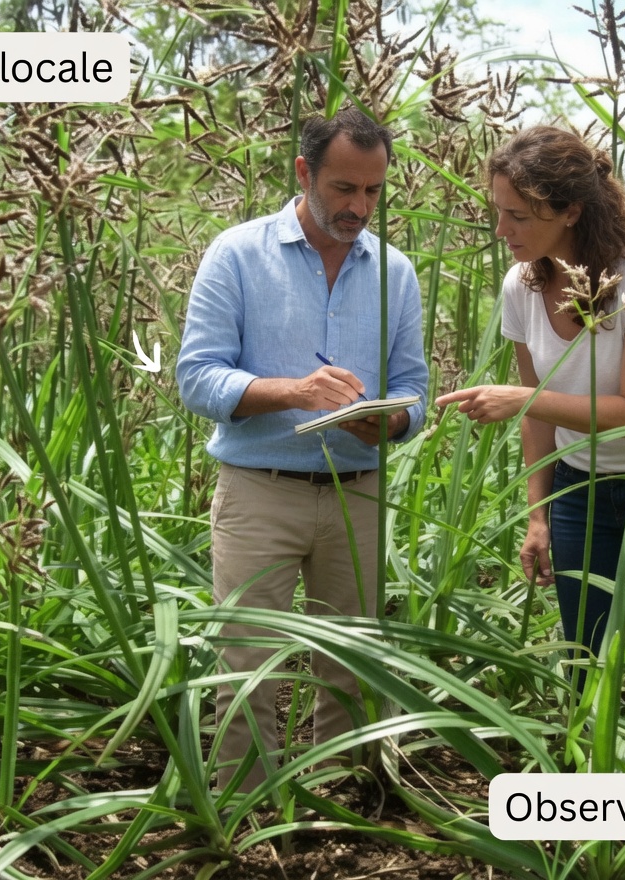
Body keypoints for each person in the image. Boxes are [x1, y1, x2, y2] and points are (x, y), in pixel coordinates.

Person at [436, 126, 625, 760]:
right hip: (581, 489)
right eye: (498, 212)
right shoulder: (523, 284)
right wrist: (539, 516)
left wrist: (523, 400)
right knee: (583, 663)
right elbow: (540, 417)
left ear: (570, 210)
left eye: (518, 215)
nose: (502, 230)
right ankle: (583, 820)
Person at [176, 107, 428, 792]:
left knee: (351, 663)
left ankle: (338, 803)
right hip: (260, 489)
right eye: (344, 188)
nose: (360, 207)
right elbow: (196, 379)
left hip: (359, 493)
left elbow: (414, 388)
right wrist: (294, 390)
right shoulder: (237, 253)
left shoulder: (396, 272)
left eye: (374, 192)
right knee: (246, 660)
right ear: (303, 172)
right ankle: (241, 810)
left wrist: (394, 422)